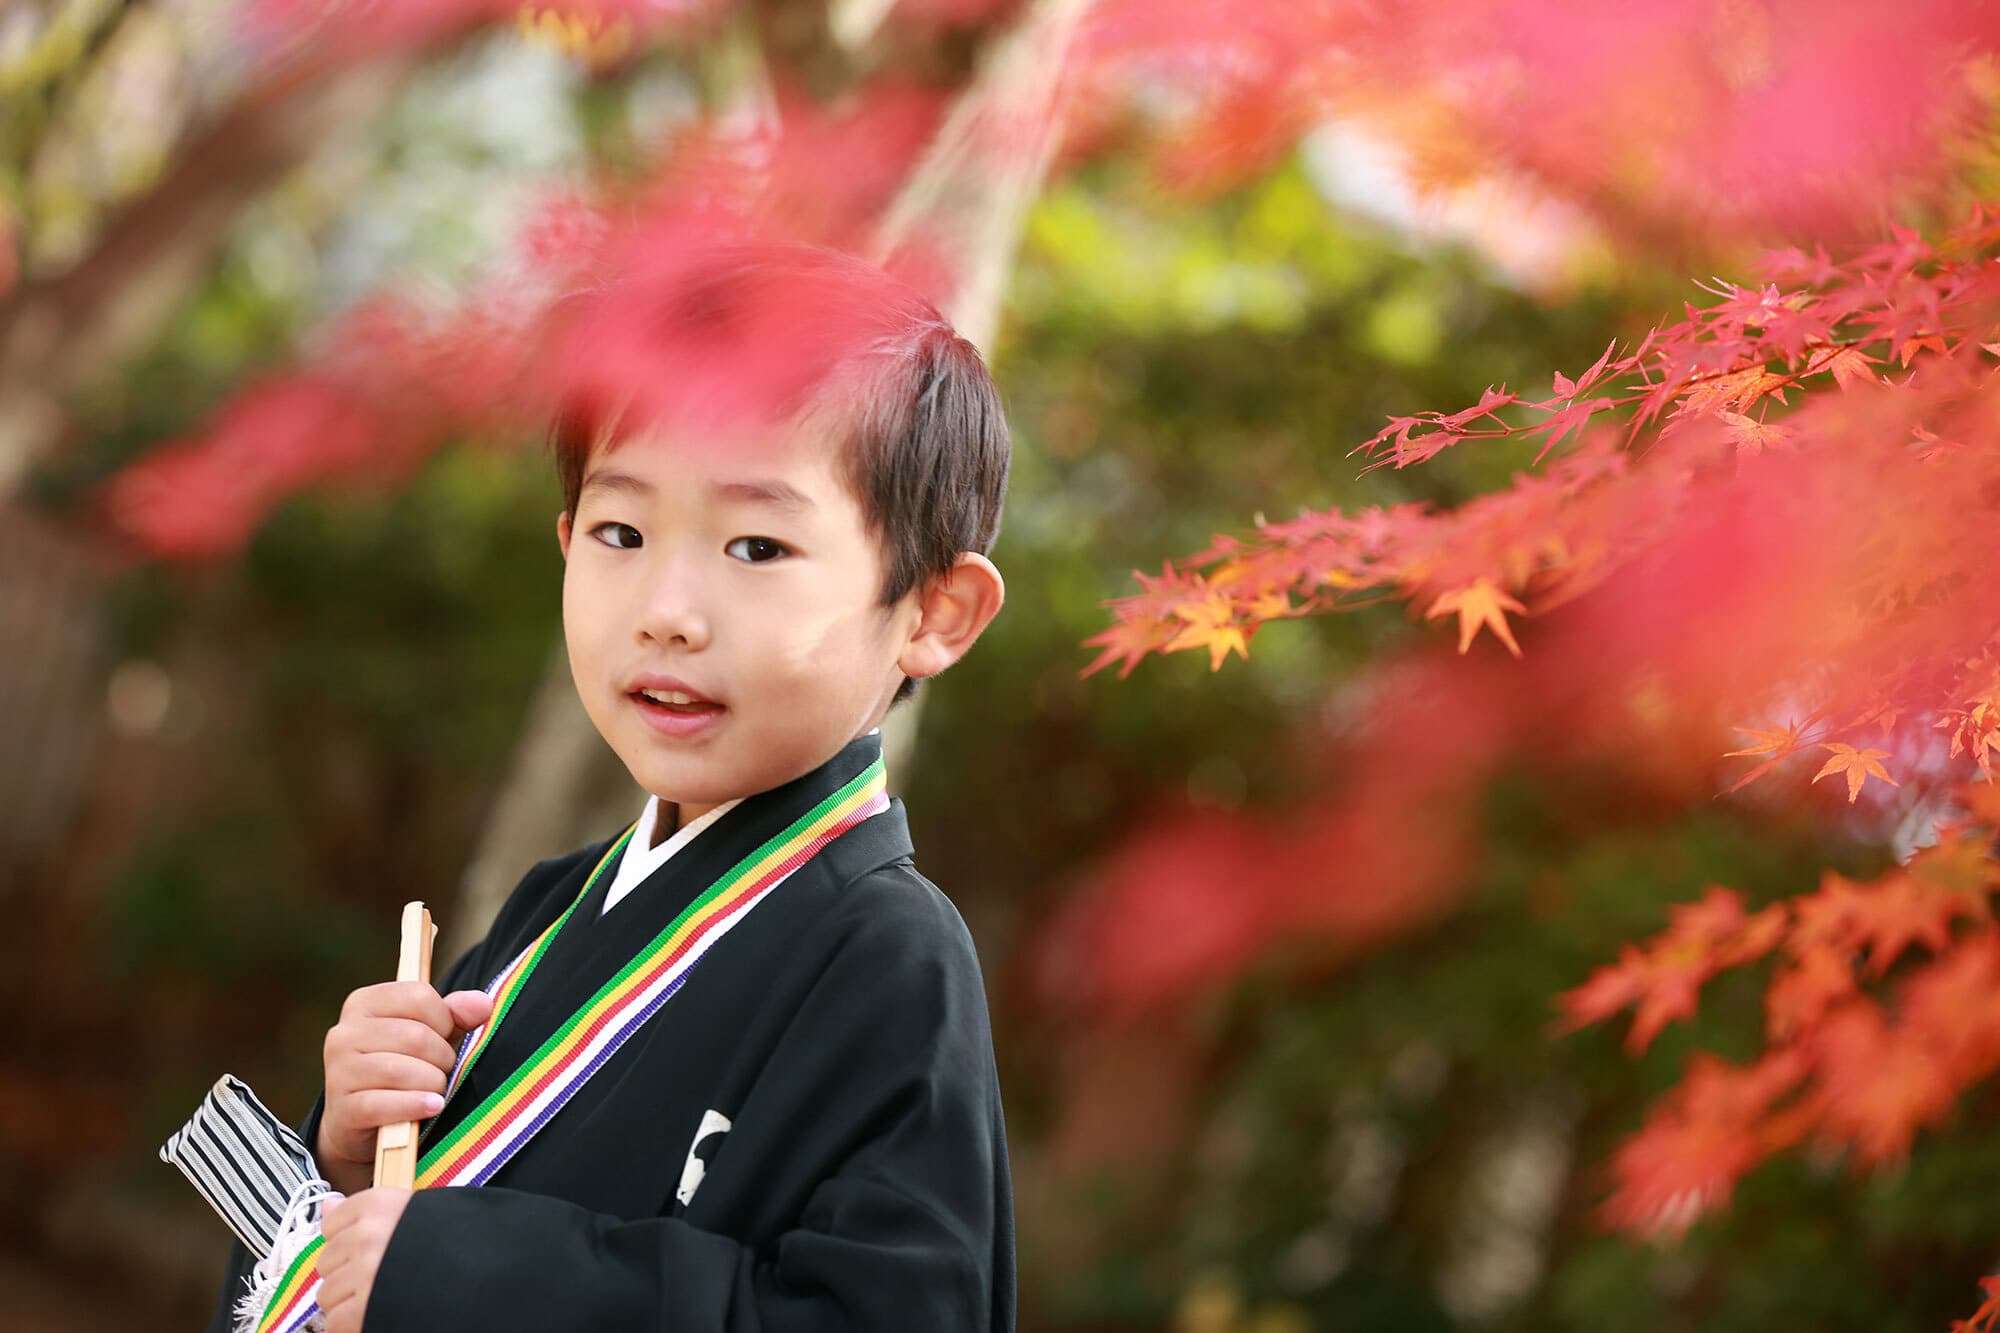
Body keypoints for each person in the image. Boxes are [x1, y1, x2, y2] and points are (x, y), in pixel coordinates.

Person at [202, 240, 1015, 1333]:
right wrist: (350, 1151)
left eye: (757, 545)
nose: (666, 607)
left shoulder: (888, 959)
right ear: (565, 541)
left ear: (930, 613)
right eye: (620, 532)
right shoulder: (551, 908)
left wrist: (469, 1269)